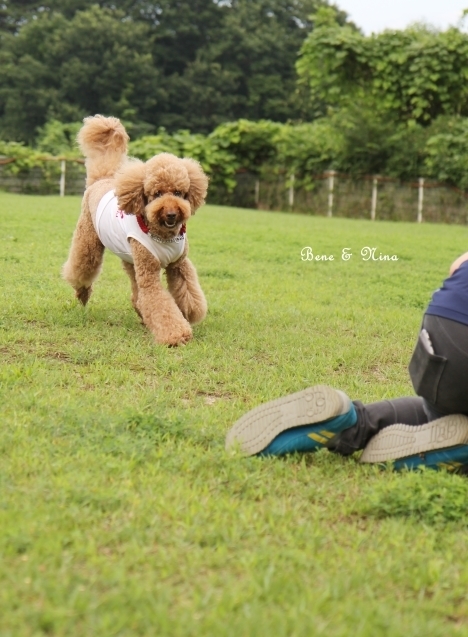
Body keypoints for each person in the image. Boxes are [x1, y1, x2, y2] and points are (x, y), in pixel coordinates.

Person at [225, 252, 468, 472]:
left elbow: (457, 266)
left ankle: (352, 421)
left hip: (439, 326)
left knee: (445, 417)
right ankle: (447, 450)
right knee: (453, 423)